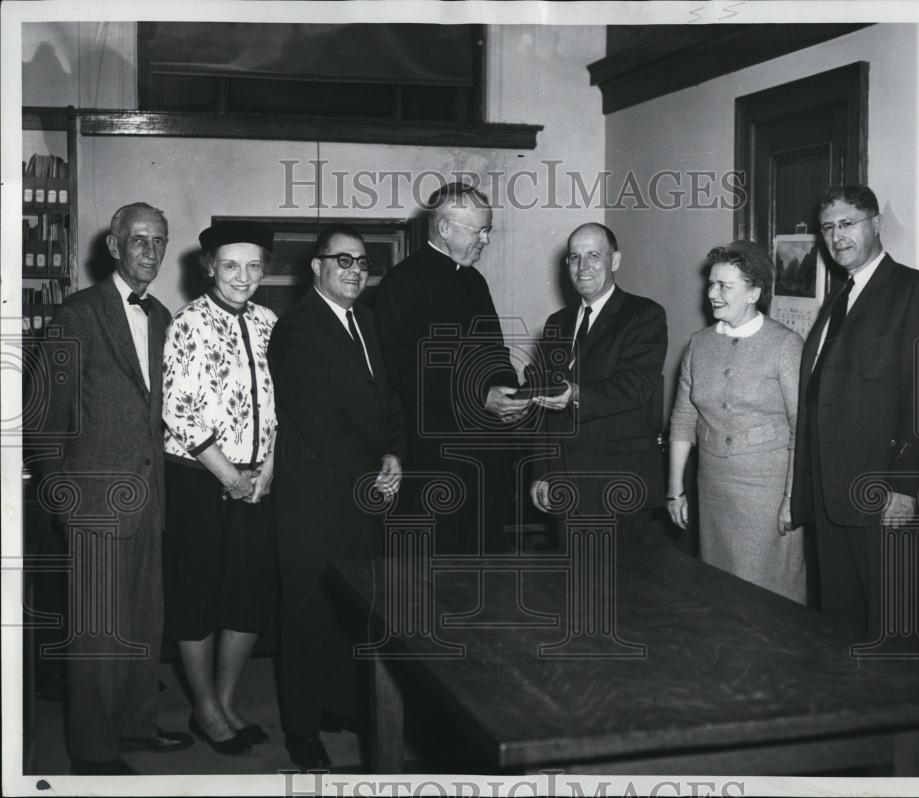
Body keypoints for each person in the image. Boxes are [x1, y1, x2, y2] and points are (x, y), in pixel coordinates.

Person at [38, 202, 191, 774]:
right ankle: (94, 751)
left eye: (159, 240)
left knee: (143, 620)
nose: (150, 251)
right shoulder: (77, 315)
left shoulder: (164, 318)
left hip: (152, 498)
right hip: (94, 499)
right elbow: (45, 416)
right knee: (98, 630)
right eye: (139, 240)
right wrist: (62, 496)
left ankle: (136, 726)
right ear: (115, 246)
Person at [791, 184, 919, 654]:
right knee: (842, 632)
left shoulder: (914, 290)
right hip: (833, 497)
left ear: (876, 224)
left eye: (847, 224)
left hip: (887, 496)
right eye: (827, 228)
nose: (836, 237)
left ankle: (902, 730)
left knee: (894, 634)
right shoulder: (840, 298)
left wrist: (904, 488)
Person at [268, 224, 405, 770]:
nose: (354, 269)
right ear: (316, 267)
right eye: (341, 260)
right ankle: (302, 731)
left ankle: (339, 705)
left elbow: (387, 399)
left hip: (366, 495)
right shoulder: (295, 330)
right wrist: (374, 469)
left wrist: (396, 453)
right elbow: (321, 421)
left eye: (362, 262)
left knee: (356, 614)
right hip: (315, 505)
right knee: (307, 620)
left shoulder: (368, 322)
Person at [161, 220, 278, 755]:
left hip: (256, 480)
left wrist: (265, 472)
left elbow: (280, 410)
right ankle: (205, 708)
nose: (243, 276)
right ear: (210, 266)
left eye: (254, 265)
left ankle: (229, 701)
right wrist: (230, 477)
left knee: (247, 594)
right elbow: (179, 412)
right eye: (231, 265)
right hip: (199, 479)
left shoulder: (270, 322)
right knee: (198, 594)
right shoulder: (188, 322)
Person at [375, 182, 529, 554]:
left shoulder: (475, 281)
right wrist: (480, 396)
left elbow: (495, 351)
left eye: (488, 230)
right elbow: (401, 368)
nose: (486, 241)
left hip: (485, 455)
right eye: (481, 231)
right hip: (434, 456)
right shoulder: (401, 282)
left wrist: (510, 394)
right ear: (445, 228)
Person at [667, 240, 805, 604]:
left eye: (724, 286)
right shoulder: (699, 344)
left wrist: (792, 497)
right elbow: (683, 418)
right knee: (719, 594)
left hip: (768, 493)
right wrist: (675, 488)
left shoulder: (785, 345)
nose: (712, 293)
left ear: (754, 292)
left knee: (767, 596)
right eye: (711, 284)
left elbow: (802, 428)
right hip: (713, 490)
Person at [530, 223, 668, 546]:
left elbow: (635, 386)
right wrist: (541, 472)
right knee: (573, 590)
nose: (583, 266)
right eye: (574, 257)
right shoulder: (556, 324)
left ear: (614, 261)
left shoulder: (643, 315)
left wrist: (577, 394)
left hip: (619, 484)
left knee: (620, 591)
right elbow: (544, 407)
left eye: (593, 255)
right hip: (565, 485)